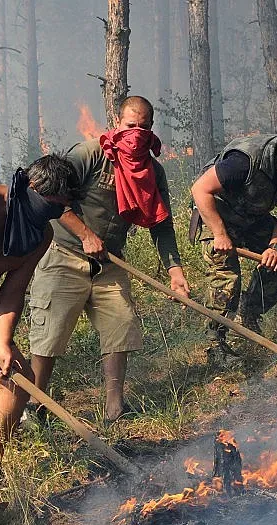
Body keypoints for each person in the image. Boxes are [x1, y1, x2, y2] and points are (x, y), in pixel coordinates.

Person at [28, 96, 190, 424]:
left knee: (121, 329)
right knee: (49, 336)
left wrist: (175, 270)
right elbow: (50, 195)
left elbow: (162, 224)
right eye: (131, 126)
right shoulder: (89, 155)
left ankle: (114, 409)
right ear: (118, 122)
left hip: (110, 265)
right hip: (64, 257)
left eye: (144, 127)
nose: (137, 134)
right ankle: (34, 406)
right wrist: (85, 234)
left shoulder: (152, 172)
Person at [0, 155, 78, 488]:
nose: (50, 216)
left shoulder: (40, 237)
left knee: (19, 379)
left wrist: (1, 342)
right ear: (29, 187)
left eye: (59, 210)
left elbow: (12, 291)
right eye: (49, 206)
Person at [189, 130, 277, 366]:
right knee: (226, 278)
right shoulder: (243, 161)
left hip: (251, 217)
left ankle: (249, 312)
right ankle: (215, 345)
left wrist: (274, 247)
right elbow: (200, 190)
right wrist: (219, 234)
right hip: (217, 215)